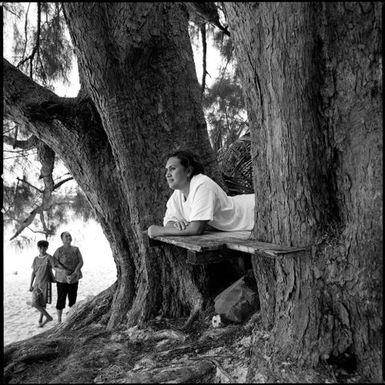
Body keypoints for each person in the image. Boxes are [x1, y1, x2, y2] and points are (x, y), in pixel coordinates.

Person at [147, 150, 255, 238]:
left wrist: (159, 231)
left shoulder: (202, 185)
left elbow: (195, 229)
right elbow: (169, 222)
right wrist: (177, 224)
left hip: (253, 211)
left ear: (188, 171)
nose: (167, 175)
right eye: (167, 170)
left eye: (172, 169)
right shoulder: (178, 193)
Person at [52, 231, 84, 323]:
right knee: (61, 299)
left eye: (69, 235)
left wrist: (75, 272)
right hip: (61, 279)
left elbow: (81, 262)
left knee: (72, 299)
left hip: (74, 278)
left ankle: (70, 318)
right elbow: (54, 265)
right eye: (66, 236)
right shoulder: (59, 250)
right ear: (62, 239)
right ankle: (59, 321)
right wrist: (63, 271)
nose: (69, 237)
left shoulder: (76, 249)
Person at [29, 240, 55, 327]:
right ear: (38, 248)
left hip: (46, 284)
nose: (42, 249)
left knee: (42, 303)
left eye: (44, 247)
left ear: (47, 248)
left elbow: (55, 267)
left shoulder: (49, 257)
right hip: (37, 284)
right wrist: (30, 285)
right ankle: (48, 317)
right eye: (40, 247)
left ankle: (41, 319)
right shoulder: (35, 259)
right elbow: (33, 272)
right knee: (34, 303)